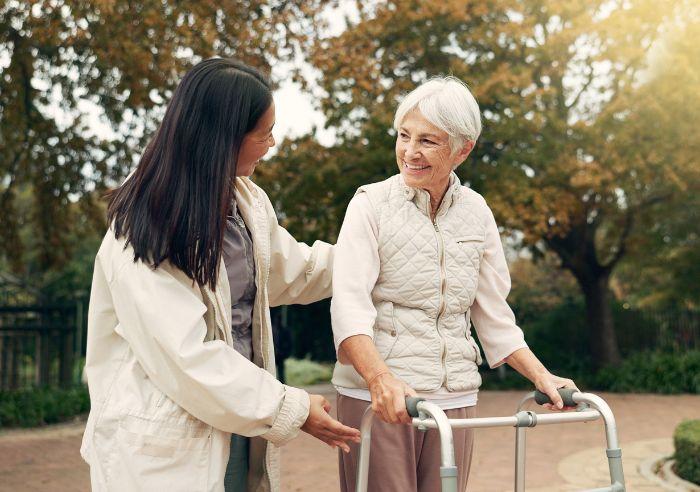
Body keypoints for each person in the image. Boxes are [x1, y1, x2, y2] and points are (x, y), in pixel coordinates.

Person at [80, 58, 360, 492]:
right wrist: (292, 407)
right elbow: (185, 354)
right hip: (168, 443)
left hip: (240, 422)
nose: (271, 143)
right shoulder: (143, 224)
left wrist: (375, 256)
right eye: (264, 133)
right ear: (224, 137)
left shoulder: (244, 199)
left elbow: (293, 272)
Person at [331, 76, 578, 492]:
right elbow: (349, 307)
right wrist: (380, 380)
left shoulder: (477, 212)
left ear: (462, 149)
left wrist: (542, 376)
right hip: (385, 400)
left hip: (456, 397)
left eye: (428, 141)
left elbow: (494, 315)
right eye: (404, 136)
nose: (410, 152)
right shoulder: (369, 204)